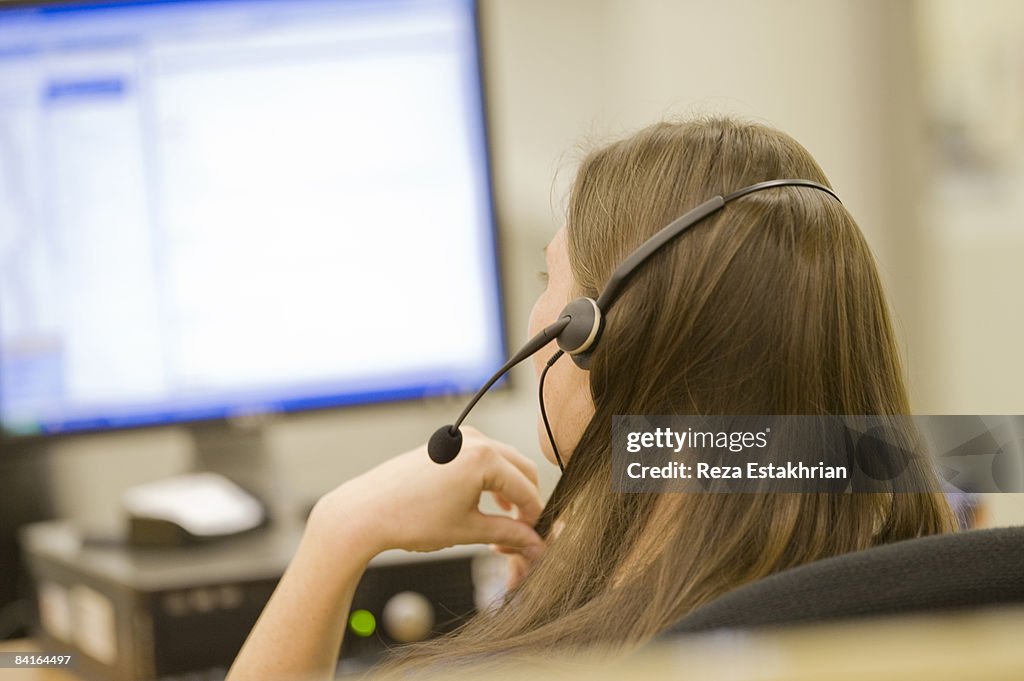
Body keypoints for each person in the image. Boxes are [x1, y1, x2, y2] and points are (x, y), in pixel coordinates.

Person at [226, 117, 955, 680]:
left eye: (551, 280)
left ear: (593, 332)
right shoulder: (934, 588)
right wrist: (609, 547)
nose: (536, 319)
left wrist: (340, 531)